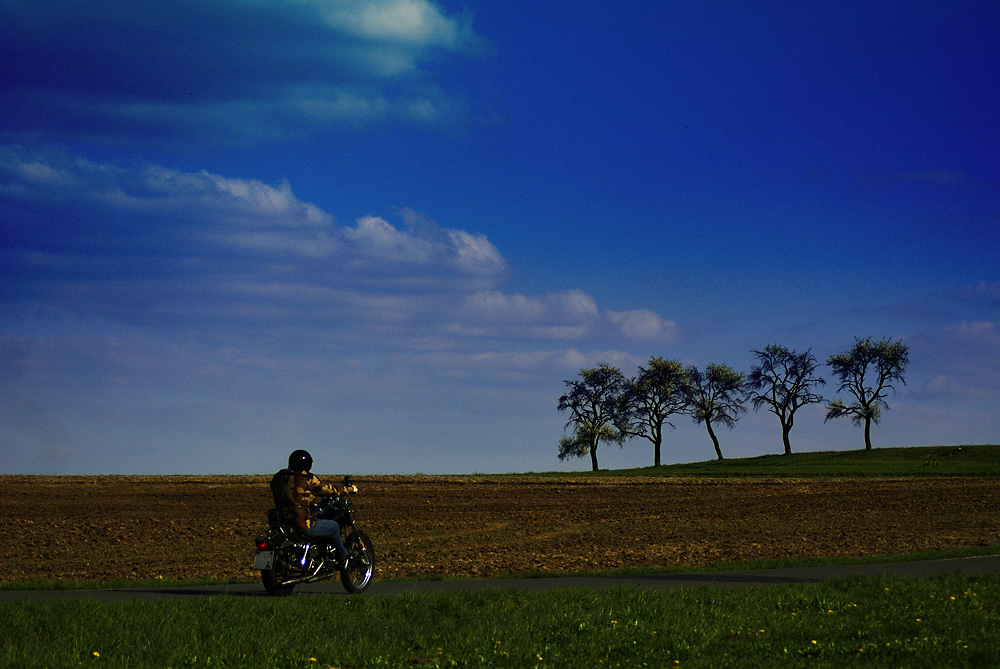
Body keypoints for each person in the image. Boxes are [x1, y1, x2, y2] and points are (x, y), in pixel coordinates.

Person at [270, 449, 358, 568]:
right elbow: (328, 489)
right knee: (333, 527)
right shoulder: (308, 479)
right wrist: (350, 489)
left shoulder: (279, 477)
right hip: (302, 524)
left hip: (283, 524)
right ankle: (343, 558)